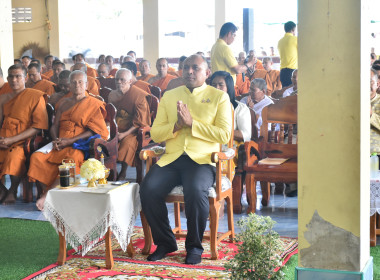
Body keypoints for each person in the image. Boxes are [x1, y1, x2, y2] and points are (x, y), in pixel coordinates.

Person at [140, 54, 232, 265]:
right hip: (172, 158)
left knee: (195, 190)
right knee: (148, 189)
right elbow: (155, 133)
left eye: (195, 68)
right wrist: (176, 127)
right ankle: (165, 243)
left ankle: (194, 247)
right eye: (186, 68)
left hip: (201, 159)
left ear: (206, 73)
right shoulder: (169, 96)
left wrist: (192, 124)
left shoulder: (219, 97)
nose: (190, 71)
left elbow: (224, 135)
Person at [28, 70, 109, 211]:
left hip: (78, 144)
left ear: (86, 85)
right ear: (69, 85)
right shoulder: (63, 102)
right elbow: (55, 125)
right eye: (73, 82)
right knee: (36, 158)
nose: (76, 85)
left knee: (72, 159)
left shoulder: (93, 103)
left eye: (80, 82)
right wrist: (56, 140)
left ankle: (47, 195)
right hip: (60, 142)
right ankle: (52, 194)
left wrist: (70, 140)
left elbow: (94, 131)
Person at [0, 64, 48, 204]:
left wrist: (12, 139)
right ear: (7, 78)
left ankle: (13, 190)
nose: (14, 80)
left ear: (25, 78)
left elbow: (38, 127)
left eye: (18, 76)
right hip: (4, 138)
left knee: (14, 155)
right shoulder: (3, 98)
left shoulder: (35, 96)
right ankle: (3, 189)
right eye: (11, 77)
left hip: (23, 139)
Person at [108, 69, 151, 180]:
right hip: (116, 128)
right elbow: (110, 115)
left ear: (130, 81)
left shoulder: (138, 96)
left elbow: (140, 122)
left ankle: (123, 171)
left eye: (122, 80)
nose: (119, 82)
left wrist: (123, 134)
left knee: (127, 143)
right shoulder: (112, 95)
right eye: (117, 79)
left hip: (134, 131)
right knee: (103, 141)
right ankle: (111, 171)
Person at [210, 71, 251, 143]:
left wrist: (217, 132)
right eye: (213, 85)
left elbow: (245, 135)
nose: (216, 88)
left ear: (228, 87)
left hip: (228, 147)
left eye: (221, 85)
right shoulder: (205, 105)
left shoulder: (240, 108)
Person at [278, 21, 298, 87]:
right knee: (293, 94)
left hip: (282, 72)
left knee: (285, 94)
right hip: (292, 72)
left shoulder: (280, 41)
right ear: (293, 30)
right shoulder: (295, 39)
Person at [371, 68, 380, 155]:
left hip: (376, 153)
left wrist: (371, 115)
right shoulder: (352, 102)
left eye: (370, 81)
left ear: (377, 84)